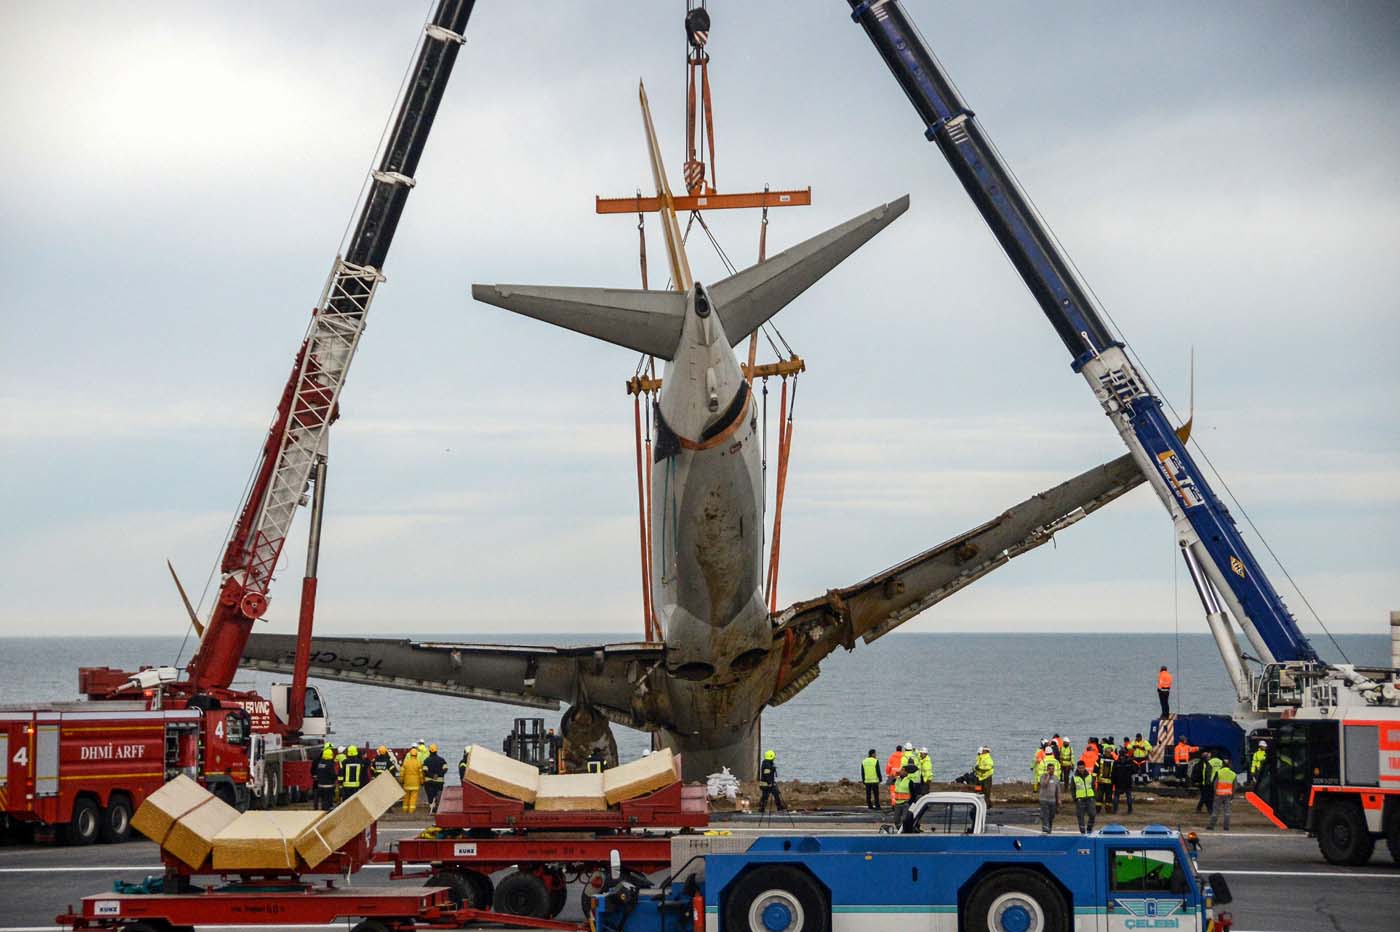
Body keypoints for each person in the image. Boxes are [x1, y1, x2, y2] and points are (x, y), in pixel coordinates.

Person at [1208, 760, 1238, 831]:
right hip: (1228, 795)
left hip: (1218, 794)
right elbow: (1235, 786)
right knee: (1227, 812)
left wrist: (1215, 793)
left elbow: (1215, 784)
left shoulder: (1219, 772)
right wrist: (1232, 794)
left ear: (1223, 765)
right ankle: (1226, 827)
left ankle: (1211, 826)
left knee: (1215, 811)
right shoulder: (1233, 774)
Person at [1038, 756, 1061, 833]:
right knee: (1045, 815)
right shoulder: (1043, 777)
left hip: (1053, 800)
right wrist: (1047, 776)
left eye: (1053, 769)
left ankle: (1049, 829)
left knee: (1051, 816)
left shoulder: (1056, 778)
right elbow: (1043, 785)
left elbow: (1058, 790)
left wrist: (1059, 800)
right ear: (1047, 770)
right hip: (1044, 800)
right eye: (1050, 769)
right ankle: (1045, 829)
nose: (1052, 770)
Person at [1072, 760, 1096, 833]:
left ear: (1085, 767)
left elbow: (1093, 786)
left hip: (1090, 798)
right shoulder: (1074, 777)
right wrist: (1075, 798)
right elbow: (1072, 789)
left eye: (1082, 768)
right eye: (1079, 768)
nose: (1081, 769)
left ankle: (1089, 827)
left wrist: (1094, 796)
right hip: (1080, 799)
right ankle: (1082, 831)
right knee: (1080, 816)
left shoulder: (1089, 775)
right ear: (1077, 768)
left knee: (1092, 814)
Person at [422, 743, 448, 812]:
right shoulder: (442, 760)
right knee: (438, 795)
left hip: (429, 782)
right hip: (439, 782)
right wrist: (439, 775)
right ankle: (437, 806)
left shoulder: (426, 760)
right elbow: (445, 769)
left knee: (430, 795)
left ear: (429, 751)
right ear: (436, 751)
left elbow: (425, 771)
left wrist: (432, 776)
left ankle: (432, 807)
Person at [312, 745, 338, 811]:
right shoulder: (330, 764)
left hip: (320, 786)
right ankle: (326, 813)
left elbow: (317, 772)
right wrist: (336, 776)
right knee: (328, 802)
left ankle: (323, 811)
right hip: (328, 786)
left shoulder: (320, 763)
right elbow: (332, 775)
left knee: (323, 801)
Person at [1111, 748, 1136, 814]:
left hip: (1118, 781)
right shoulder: (1129, 761)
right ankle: (1130, 810)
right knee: (1128, 796)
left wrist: (1113, 781)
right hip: (1127, 781)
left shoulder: (1116, 762)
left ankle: (1115, 810)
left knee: (1116, 796)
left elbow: (1113, 773)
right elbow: (1134, 770)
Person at [400, 747, 423, 814]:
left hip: (407, 783)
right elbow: (421, 774)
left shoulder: (406, 763)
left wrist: (402, 780)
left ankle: (404, 810)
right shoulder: (418, 763)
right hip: (415, 783)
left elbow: (402, 773)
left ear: (410, 755)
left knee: (406, 797)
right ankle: (411, 811)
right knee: (413, 798)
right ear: (416, 755)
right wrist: (422, 781)